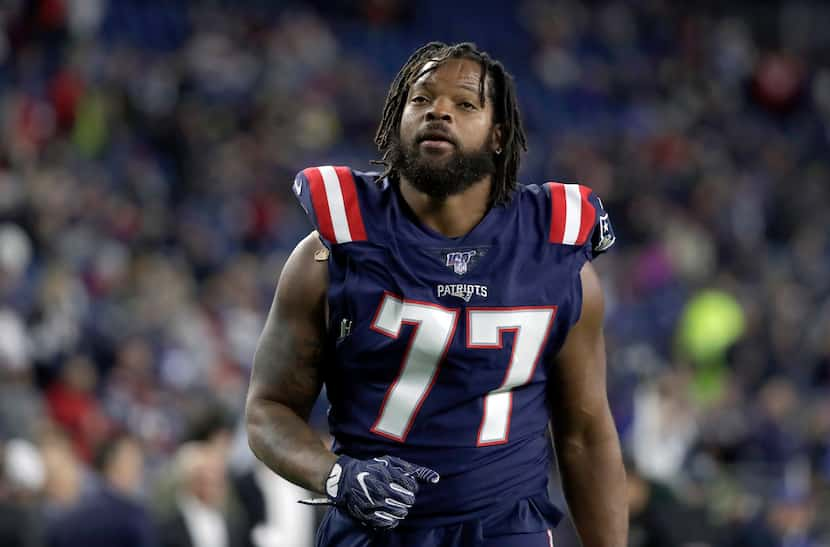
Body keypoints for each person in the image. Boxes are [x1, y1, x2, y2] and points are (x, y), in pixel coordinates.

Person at [246, 41, 627, 547]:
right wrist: (335, 475)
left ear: (499, 134)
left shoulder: (556, 255)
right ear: (397, 118)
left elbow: (584, 435)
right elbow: (268, 409)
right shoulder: (329, 252)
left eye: (464, 103)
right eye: (421, 99)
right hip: (374, 534)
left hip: (505, 533)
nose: (438, 111)